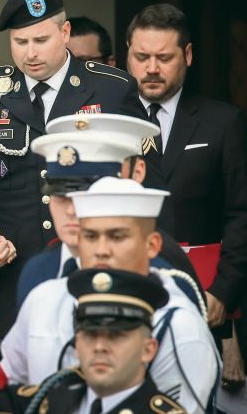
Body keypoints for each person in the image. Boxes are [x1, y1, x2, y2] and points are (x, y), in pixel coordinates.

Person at [0, 0, 145, 332]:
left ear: (65, 33)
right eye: (20, 42)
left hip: (97, 271)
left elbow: (144, 178)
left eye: (40, 40)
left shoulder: (113, 88)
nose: (29, 53)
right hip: (14, 279)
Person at [2, 177, 219, 414]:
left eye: (117, 237)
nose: (101, 250)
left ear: (152, 245)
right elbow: (6, 388)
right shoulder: (45, 299)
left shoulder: (178, 324)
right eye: (91, 236)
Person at [0, 268, 214, 414]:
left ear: (148, 349)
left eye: (117, 336)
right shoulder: (56, 396)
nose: (100, 347)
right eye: (90, 334)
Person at [125, 4, 247, 339]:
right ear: (127, 55)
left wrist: (224, 291)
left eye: (164, 58)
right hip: (124, 292)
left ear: (187, 55)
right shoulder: (111, 121)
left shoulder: (223, 122)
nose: (152, 68)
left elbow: (243, 215)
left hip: (202, 297)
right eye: (142, 57)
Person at [14, 114, 203, 310]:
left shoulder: (164, 278)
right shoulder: (36, 271)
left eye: (88, 193)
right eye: (59, 195)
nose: (71, 210)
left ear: (134, 176)